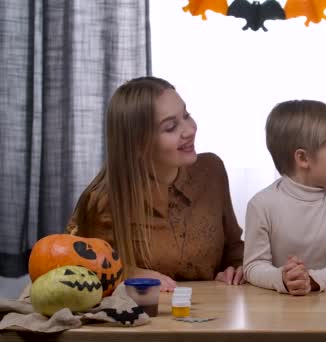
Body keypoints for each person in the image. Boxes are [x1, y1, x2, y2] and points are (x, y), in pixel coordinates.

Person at [67, 76, 244, 292]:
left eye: (186, 115)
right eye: (170, 127)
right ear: (139, 144)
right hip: (142, 319)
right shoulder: (101, 202)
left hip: (208, 317)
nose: (189, 130)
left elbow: (234, 250)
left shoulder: (211, 172)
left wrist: (237, 268)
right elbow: (74, 267)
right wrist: (127, 273)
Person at [243, 100, 326, 295]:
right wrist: (282, 278)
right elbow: (253, 266)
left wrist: (312, 281)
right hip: (274, 311)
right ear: (303, 158)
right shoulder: (261, 205)